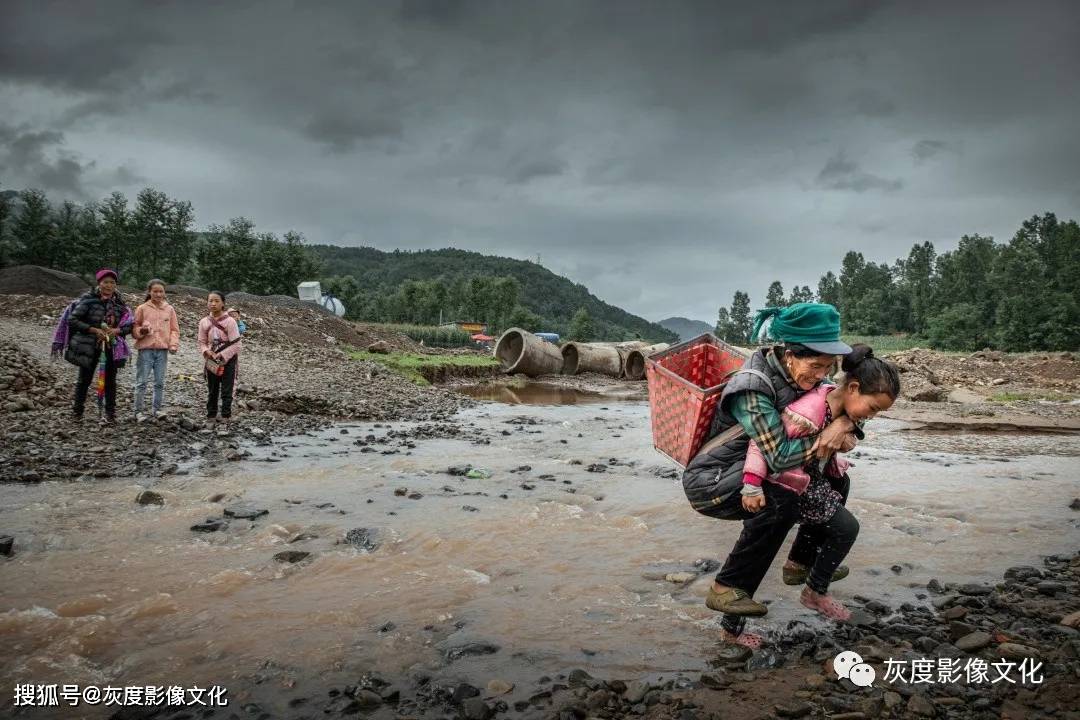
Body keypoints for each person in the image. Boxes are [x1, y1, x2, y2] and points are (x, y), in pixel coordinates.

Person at [682, 302, 859, 649]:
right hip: (713, 480)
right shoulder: (752, 387)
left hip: (751, 471)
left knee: (837, 482)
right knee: (780, 501)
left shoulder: (799, 378)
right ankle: (727, 601)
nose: (820, 375)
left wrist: (845, 422)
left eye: (827, 367)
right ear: (789, 353)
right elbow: (777, 455)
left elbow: (837, 405)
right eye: (815, 365)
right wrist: (826, 437)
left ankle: (799, 563)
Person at [739, 344, 899, 623]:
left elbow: (848, 430)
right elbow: (761, 445)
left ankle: (800, 566)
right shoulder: (808, 412)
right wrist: (751, 484)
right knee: (846, 528)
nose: (871, 416)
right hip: (786, 483)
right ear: (852, 388)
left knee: (842, 489)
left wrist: (847, 425)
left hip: (808, 479)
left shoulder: (834, 401)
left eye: (877, 413)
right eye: (872, 408)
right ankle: (815, 590)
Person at [65, 268, 134, 423]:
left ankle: (110, 414)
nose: (109, 286)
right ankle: (77, 412)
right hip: (89, 346)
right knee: (84, 379)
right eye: (105, 282)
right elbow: (73, 320)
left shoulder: (120, 304)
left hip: (111, 347)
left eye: (112, 282)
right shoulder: (88, 300)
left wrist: (116, 330)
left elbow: (129, 325)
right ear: (99, 283)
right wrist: (94, 330)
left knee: (110, 380)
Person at [131, 279, 180, 419]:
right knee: (142, 382)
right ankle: (138, 412)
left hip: (162, 351)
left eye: (161, 291)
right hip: (145, 350)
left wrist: (173, 344)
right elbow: (134, 328)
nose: (158, 294)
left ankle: (156, 410)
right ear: (149, 292)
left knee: (159, 382)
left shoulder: (169, 309)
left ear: (164, 293)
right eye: (155, 291)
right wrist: (142, 331)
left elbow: (174, 330)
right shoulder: (142, 308)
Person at [198, 291, 241, 423]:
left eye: (216, 301)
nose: (213, 303)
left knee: (227, 388)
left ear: (223, 303)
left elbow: (237, 344)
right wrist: (207, 351)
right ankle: (211, 415)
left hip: (228, 359)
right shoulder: (204, 322)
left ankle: (225, 416)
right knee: (212, 388)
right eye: (211, 301)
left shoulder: (230, 321)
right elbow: (201, 341)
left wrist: (222, 355)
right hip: (211, 358)